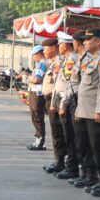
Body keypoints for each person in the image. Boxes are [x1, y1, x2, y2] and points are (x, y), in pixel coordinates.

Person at [74, 29, 100, 197]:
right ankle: (98, 179)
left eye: (88, 40)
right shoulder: (93, 59)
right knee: (91, 146)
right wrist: (79, 109)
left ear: (98, 42)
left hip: (95, 111)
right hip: (86, 110)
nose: (84, 42)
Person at [66, 30, 98, 188]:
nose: (84, 42)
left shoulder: (96, 59)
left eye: (88, 40)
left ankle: (93, 175)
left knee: (92, 143)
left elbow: (99, 87)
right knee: (81, 141)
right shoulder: (84, 59)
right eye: (83, 40)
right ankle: (86, 172)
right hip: (80, 104)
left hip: (89, 107)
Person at [50, 32, 79, 179]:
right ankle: (69, 165)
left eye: (60, 44)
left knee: (70, 137)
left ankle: (72, 167)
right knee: (67, 136)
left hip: (67, 102)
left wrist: (61, 104)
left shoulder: (71, 60)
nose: (58, 47)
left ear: (66, 45)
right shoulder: (68, 60)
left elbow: (69, 85)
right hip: (64, 101)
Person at [42, 38, 66, 174]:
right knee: (56, 132)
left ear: (52, 48)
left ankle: (61, 161)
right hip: (51, 100)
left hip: (55, 101)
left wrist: (55, 103)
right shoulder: (53, 63)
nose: (44, 51)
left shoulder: (59, 62)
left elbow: (59, 85)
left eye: (45, 49)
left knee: (58, 133)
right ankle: (58, 160)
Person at [25, 45, 47, 151]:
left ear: (38, 54)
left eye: (34, 56)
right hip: (34, 93)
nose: (33, 58)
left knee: (37, 117)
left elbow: (37, 79)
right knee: (35, 117)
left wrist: (27, 77)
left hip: (37, 94)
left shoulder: (42, 64)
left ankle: (40, 142)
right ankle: (38, 140)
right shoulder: (39, 64)